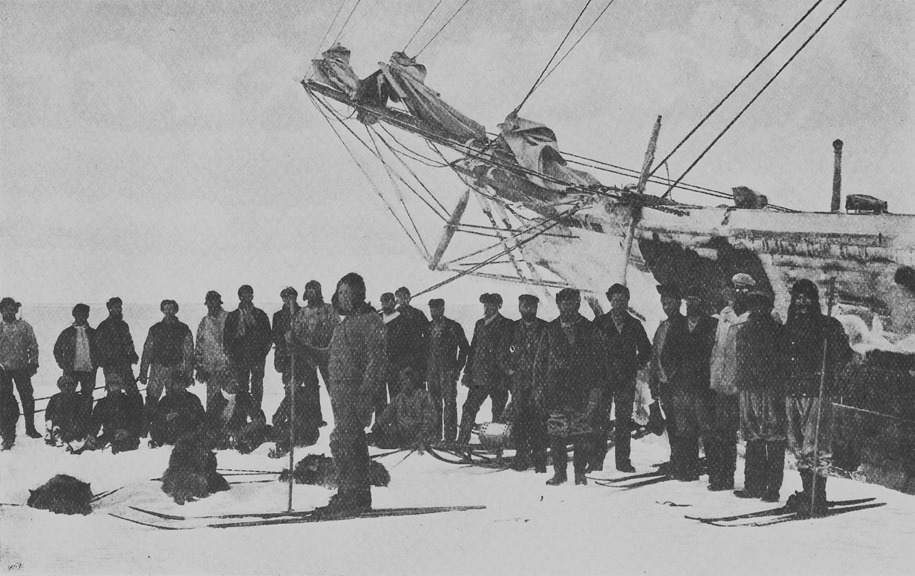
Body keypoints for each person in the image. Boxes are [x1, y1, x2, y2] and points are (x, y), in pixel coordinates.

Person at [779, 279, 853, 516]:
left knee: (816, 445)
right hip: (792, 391)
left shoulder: (826, 325)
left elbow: (844, 355)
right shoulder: (789, 326)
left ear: (814, 300)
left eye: (806, 298)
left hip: (815, 392)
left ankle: (817, 497)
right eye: (798, 298)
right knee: (798, 444)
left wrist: (828, 364)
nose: (802, 303)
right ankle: (807, 491)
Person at [316, 272, 387, 514]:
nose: (341, 297)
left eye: (346, 292)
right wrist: (301, 347)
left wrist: (366, 397)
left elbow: (376, 362)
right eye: (339, 292)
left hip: (355, 394)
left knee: (343, 441)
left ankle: (349, 495)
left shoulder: (371, 321)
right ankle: (358, 497)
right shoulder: (344, 325)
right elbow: (326, 356)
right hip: (340, 393)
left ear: (358, 294)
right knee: (353, 444)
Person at [535, 288, 605, 486]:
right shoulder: (550, 329)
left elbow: (600, 362)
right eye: (563, 302)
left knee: (581, 434)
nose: (567, 306)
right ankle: (560, 474)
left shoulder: (590, 329)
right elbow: (540, 361)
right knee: (557, 434)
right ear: (558, 304)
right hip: (556, 390)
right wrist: (538, 387)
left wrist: (596, 391)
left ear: (578, 304)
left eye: (571, 302)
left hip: (582, 390)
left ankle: (579, 474)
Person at [661, 286, 718, 482]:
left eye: (696, 301)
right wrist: (674, 375)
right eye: (689, 301)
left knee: (707, 429)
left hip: (703, 387)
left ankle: (714, 471)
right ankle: (688, 469)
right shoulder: (678, 326)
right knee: (685, 430)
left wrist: (711, 378)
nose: (692, 305)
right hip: (682, 387)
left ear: (703, 304)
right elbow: (666, 354)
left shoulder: (712, 325)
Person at [593, 283, 651, 472]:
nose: (619, 303)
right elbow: (589, 350)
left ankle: (623, 462)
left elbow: (646, 350)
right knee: (600, 420)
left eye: (623, 300)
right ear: (610, 301)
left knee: (623, 421)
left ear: (627, 301)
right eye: (615, 299)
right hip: (603, 379)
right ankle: (596, 461)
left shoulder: (634, 324)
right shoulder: (600, 323)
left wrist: (634, 365)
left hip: (625, 380)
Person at [734, 288, 785, 501]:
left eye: (760, 307)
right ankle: (755, 486)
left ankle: (770, 488)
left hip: (769, 391)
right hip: (751, 389)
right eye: (754, 307)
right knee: (755, 438)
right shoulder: (745, 331)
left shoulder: (776, 331)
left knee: (771, 438)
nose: (757, 311)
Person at [705, 273, 755, 491]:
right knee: (722, 432)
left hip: (743, 384)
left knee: (748, 433)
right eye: (736, 288)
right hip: (722, 383)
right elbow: (718, 348)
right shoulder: (725, 314)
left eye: (744, 289)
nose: (738, 292)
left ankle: (753, 481)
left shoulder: (753, 316)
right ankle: (721, 475)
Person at [457, 293, 513, 446]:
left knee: (498, 414)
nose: (487, 308)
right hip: (479, 378)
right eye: (485, 305)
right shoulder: (479, 324)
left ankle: (498, 445)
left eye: (491, 305)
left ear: (498, 306)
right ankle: (462, 442)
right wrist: (467, 373)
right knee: (469, 408)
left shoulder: (507, 324)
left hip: (498, 379)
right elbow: (473, 350)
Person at [504, 294, 548, 472]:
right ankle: (521, 457)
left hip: (540, 383)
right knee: (520, 420)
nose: (528, 309)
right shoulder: (511, 328)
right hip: (518, 384)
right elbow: (502, 355)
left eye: (531, 306)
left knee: (539, 420)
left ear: (536, 308)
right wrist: (510, 372)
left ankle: (539, 460)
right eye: (524, 306)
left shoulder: (546, 328)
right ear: (519, 307)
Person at [139, 300, 194, 434]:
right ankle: (145, 429)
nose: (169, 312)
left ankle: (171, 429)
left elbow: (189, 353)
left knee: (174, 398)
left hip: (175, 369)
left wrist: (188, 375)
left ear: (176, 310)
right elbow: (147, 351)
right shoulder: (155, 329)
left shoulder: (183, 329)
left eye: (171, 309)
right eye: (166, 309)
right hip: (158, 368)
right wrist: (143, 372)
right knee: (152, 398)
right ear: (162, 310)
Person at [647, 284, 683, 475]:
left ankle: (682, 460)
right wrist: (654, 382)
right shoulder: (663, 326)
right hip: (664, 384)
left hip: (676, 384)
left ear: (678, 303)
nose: (667, 307)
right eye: (664, 303)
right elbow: (655, 356)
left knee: (680, 424)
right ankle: (675, 458)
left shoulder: (682, 325)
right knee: (671, 422)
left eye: (670, 303)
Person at [425, 298, 469, 443]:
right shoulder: (428, 327)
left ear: (443, 309)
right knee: (434, 404)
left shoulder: (453, 327)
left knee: (449, 403)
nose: (433, 312)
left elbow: (464, 348)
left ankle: (450, 437)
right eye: (431, 309)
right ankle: (435, 435)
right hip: (432, 372)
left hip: (448, 372)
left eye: (436, 309)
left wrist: (457, 369)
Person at [224, 285, 272, 410]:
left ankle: (256, 414)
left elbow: (268, 337)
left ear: (253, 296)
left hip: (257, 358)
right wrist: (232, 359)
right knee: (241, 388)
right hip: (239, 359)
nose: (247, 297)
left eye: (249, 294)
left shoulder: (260, 315)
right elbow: (227, 340)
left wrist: (261, 355)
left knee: (257, 387)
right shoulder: (233, 317)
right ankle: (242, 417)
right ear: (239, 297)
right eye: (243, 295)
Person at [0, 297, 40, 438]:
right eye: (5, 309)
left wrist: (33, 363)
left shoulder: (24, 327)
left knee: (27, 398)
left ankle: (30, 428)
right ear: (1, 311)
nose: (9, 312)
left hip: (22, 369)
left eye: (11, 309)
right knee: (5, 401)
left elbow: (33, 346)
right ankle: (7, 429)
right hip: (3, 371)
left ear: (16, 310)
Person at [372, 366, 436, 450]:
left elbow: (430, 418)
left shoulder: (423, 396)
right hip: (402, 434)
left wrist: (422, 433)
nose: (404, 384)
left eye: (407, 380)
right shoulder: (398, 399)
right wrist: (376, 426)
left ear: (413, 382)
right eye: (402, 381)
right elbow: (386, 415)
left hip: (419, 434)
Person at [205, 374, 269, 453]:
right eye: (233, 382)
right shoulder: (216, 400)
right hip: (220, 436)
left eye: (237, 382)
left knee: (266, 431)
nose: (237, 385)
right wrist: (227, 433)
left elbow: (260, 418)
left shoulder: (243, 396)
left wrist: (243, 431)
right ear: (224, 384)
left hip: (241, 434)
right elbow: (209, 424)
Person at [88, 372, 144, 454]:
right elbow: (95, 421)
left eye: (116, 384)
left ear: (120, 386)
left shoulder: (129, 401)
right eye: (111, 384)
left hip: (127, 436)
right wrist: (91, 435)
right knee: (92, 448)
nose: (114, 386)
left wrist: (127, 432)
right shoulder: (102, 403)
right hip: (109, 435)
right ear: (107, 386)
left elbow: (136, 421)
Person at [53, 303, 99, 404]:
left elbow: (100, 350)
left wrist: (96, 363)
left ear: (87, 316)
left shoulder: (94, 333)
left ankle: (86, 418)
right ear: (74, 315)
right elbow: (57, 350)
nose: (81, 317)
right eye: (78, 315)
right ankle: (70, 419)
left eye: (83, 315)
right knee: (68, 396)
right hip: (71, 371)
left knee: (87, 397)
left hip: (89, 371)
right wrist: (63, 364)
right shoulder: (67, 333)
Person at [94, 297, 140, 394]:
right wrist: (105, 360)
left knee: (133, 392)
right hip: (111, 365)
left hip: (125, 364)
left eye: (119, 307)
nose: (117, 310)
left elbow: (129, 342)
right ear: (109, 309)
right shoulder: (103, 326)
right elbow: (98, 346)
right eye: (114, 307)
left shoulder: (124, 325)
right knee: (113, 392)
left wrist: (132, 354)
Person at [195, 291, 230, 413]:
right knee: (212, 403)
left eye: (214, 303)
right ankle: (213, 429)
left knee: (231, 401)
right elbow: (199, 346)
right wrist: (199, 367)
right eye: (209, 303)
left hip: (228, 369)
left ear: (219, 303)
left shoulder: (229, 318)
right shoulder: (204, 322)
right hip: (210, 370)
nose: (212, 306)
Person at [149, 373, 206, 447]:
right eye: (177, 384)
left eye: (181, 384)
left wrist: (189, 416)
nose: (179, 386)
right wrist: (166, 417)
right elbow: (156, 417)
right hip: (171, 432)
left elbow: (202, 416)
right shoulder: (165, 400)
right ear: (172, 385)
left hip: (189, 430)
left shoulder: (193, 398)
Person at [44, 374, 93, 451]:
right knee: (53, 423)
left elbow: (83, 415)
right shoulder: (55, 398)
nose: (67, 388)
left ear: (74, 386)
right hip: (60, 423)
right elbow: (48, 414)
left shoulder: (79, 398)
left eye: (70, 385)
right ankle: (55, 434)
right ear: (60, 387)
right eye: (64, 385)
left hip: (74, 425)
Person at [0, 365, 20, 449]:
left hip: (5, 400)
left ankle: (8, 437)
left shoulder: (7, 396)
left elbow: (14, 414)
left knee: (7, 411)